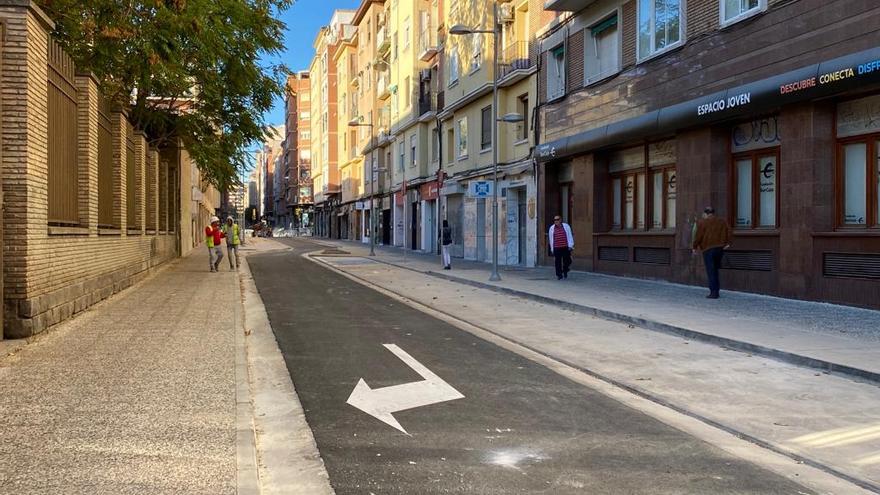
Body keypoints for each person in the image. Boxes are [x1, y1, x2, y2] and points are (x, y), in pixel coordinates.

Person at [692, 206, 731, 299]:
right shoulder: (722, 221)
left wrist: (694, 247)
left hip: (708, 249)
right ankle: (716, 290)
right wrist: (728, 243)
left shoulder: (702, 222)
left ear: (706, 214)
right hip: (719, 249)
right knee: (715, 270)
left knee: (711, 271)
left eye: (703, 214)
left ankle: (713, 292)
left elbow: (698, 236)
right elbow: (729, 231)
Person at [548, 215, 574, 280]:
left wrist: (570, 245)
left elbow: (570, 235)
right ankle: (559, 275)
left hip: (565, 246)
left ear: (560, 220)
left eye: (557, 219)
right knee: (558, 262)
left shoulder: (566, 226)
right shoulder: (552, 228)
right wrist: (552, 248)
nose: (556, 221)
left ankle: (565, 270)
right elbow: (551, 239)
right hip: (556, 247)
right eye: (555, 220)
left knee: (568, 260)